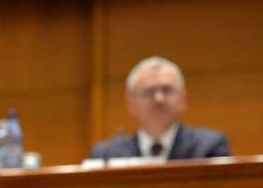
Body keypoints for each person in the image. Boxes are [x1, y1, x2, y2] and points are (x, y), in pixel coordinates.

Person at [88, 56, 230, 160]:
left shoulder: (209, 147)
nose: (159, 99)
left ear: (183, 98)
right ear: (131, 103)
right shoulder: (106, 155)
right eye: (149, 92)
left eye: (167, 90)